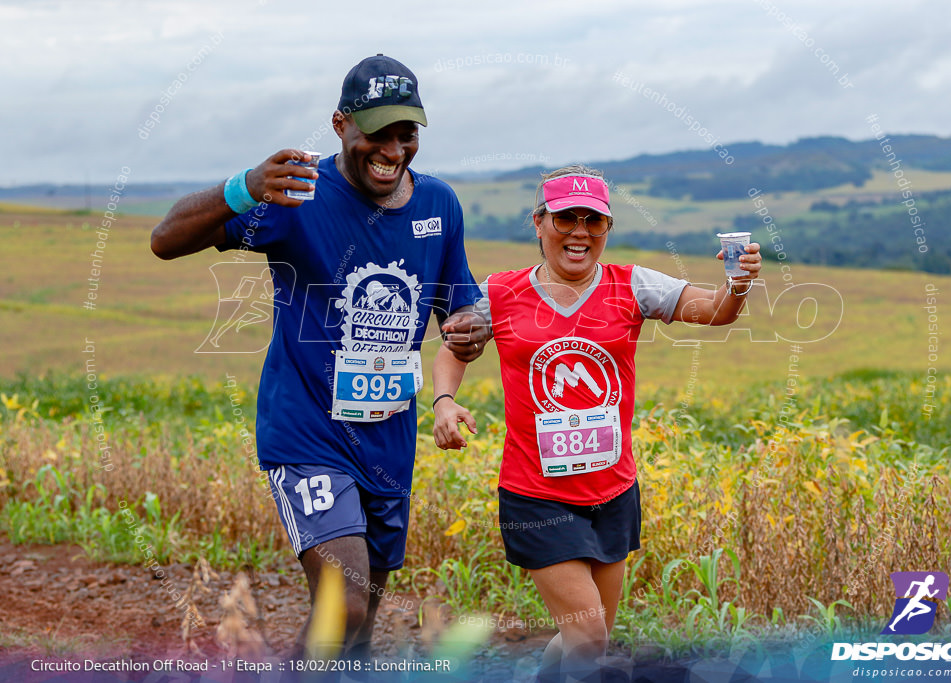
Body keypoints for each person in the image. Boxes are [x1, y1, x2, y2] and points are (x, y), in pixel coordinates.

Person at [150, 54, 490, 659]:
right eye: (376, 132)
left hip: (388, 440)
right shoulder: (296, 195)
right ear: (340, 125)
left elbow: (458, 307)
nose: (392, 148)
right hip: (308, 433)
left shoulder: (439, 205)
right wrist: (244, 188)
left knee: (360, 626)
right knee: (345, 604)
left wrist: (469, 330)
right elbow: (166, 240)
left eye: (405, 132)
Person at [431, 164, 761, 681]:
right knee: (587, 637)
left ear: (607, 229)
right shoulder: (499, 293)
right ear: (539, 223)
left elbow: (717, 312)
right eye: (565, 219)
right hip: (535, 493)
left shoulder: (634, 284)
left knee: (589, 638)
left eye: (594, 221)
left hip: (612, 490)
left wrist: (737, 284)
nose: (580, 232)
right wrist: (444, 402)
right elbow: (455, 348)